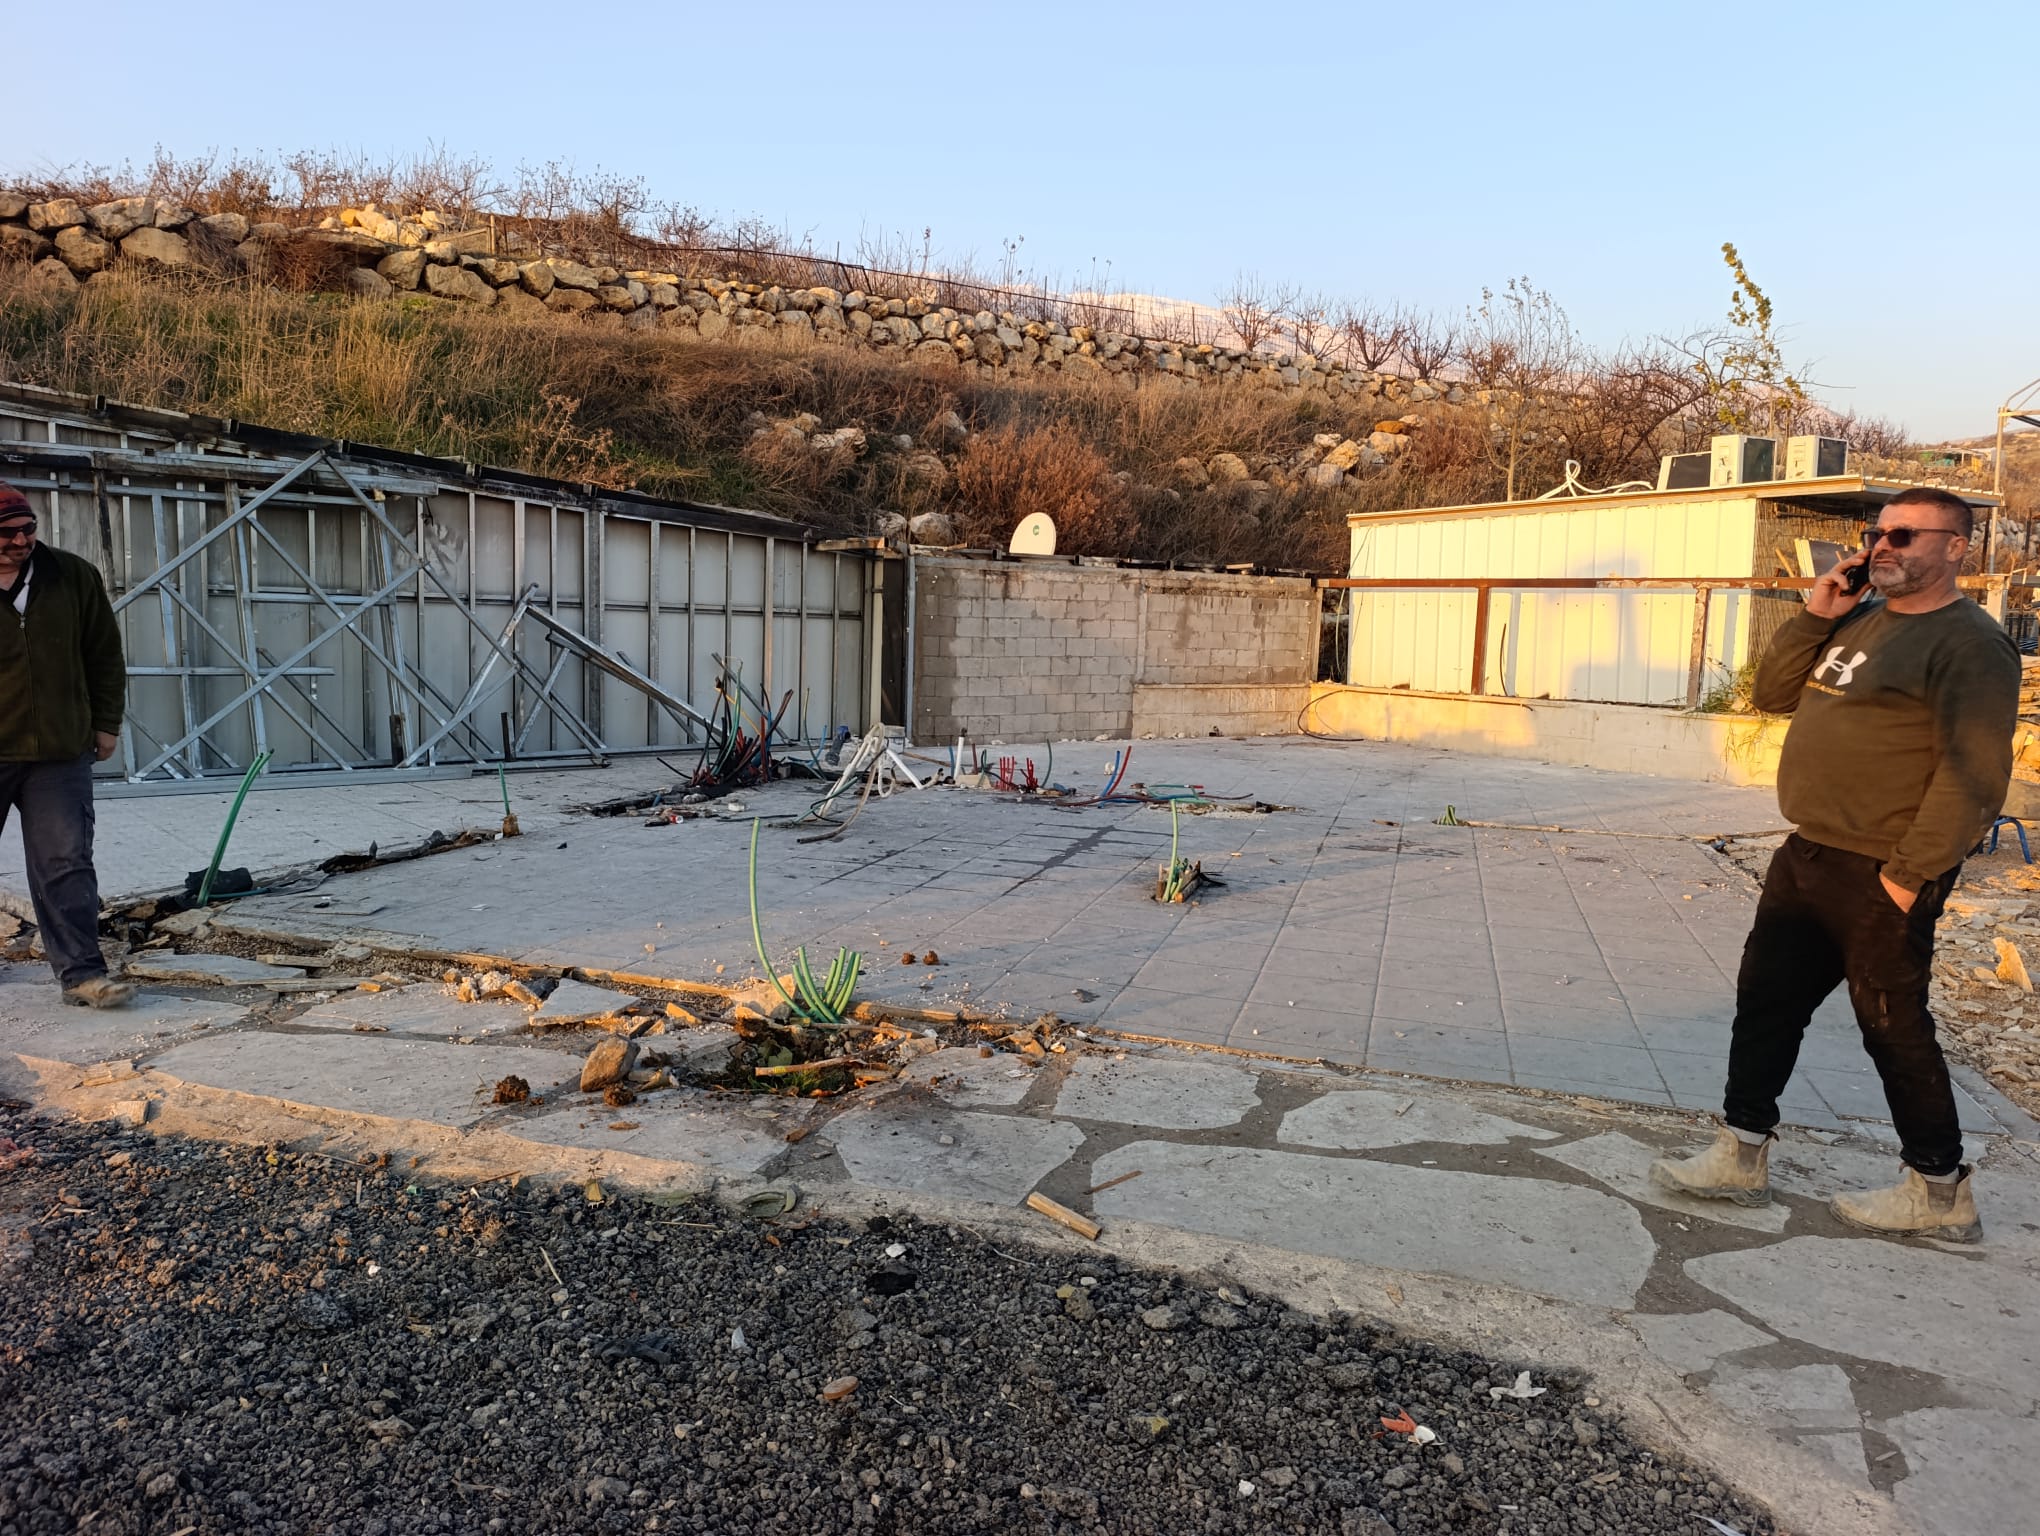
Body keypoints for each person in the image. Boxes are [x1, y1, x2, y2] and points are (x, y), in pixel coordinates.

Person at [1650, 486, 2018, 1242]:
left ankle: (1939, 1192)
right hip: (1809, 852)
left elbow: (1974, 776)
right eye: (1878, 532)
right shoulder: (1860, 619)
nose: (1883, 545)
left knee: (1891, 1025)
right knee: (1766, 1005)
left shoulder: (1971, 644)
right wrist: (1818, 614)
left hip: (1884, 867)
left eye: (1905, 535)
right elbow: (1772, 693)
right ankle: (1741, 1154)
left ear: (1956, 548)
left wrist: (1908, 876)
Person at [0, 485, 135, 1008]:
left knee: (67, 862)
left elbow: (104, 654)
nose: (21, 541)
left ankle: (82, 975)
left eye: (28, 529)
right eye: (7, 534)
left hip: (59, 751)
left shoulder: (72, 575)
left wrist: (106, 722)